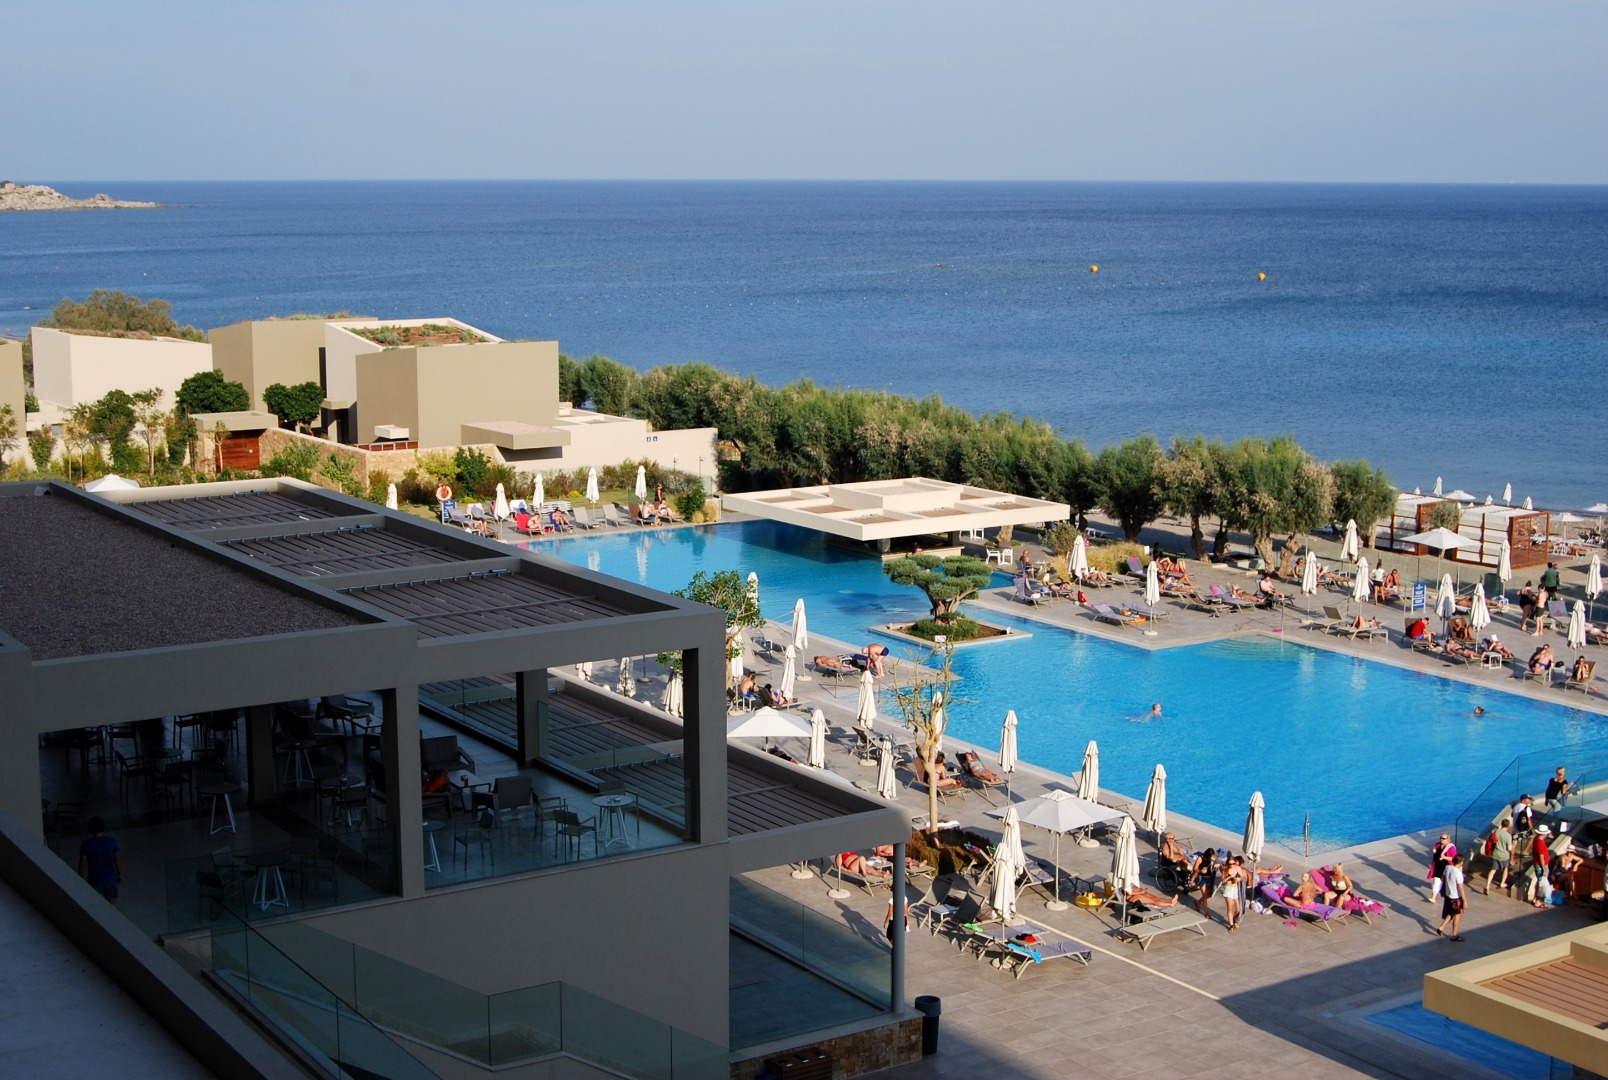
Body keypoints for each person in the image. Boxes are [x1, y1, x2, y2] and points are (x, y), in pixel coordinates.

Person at [77, 816, 122, 906]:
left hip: (95, 879)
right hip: (110, 877)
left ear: (90, 829)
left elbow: (82, 863)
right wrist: (119, 874)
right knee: (112, 899)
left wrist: (80, 875)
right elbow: (117, 860)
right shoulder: (112, 841)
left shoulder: (87, 845)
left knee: (97, 902)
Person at [1436, 854, 1467, 940]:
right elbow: (1461, 888)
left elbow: (1443, 878)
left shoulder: (1448, 867)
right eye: (1463, 861)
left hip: (1448, 895)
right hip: (1456, 897)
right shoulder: (1458, 873)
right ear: (1460, 862)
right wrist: (1464, 900)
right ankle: (1454, 935)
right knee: (1457, 915)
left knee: (1451, 912)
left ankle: (1441, 927)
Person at [1524, 825, 1554, 907]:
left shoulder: (1536, 839)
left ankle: (1535, 898)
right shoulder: (1541, 843)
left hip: (1537, 864)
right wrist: (1544, 869)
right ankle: (1538, 901)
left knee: (1540, 882)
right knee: (1542, 884)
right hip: (1541, 866)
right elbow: (1541, 857)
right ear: (1544, 834)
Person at [1486, 818, 1515, 894]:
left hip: (1495, 853)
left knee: (1492, 870)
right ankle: (1502, 883)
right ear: (1508, 826)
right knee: (1505, 869)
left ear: (1501, 824)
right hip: (1504, 856)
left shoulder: (1496, 831)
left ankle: (1487, 886)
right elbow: (1509, 848)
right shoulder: (1508, 836)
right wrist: (1512, 845)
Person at [1221, 856, 1248, 932]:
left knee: (1238, 910)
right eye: (1230, 864)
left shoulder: (1237, 868)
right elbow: (1223, 881)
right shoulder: (1225, 869)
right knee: (1230, 909)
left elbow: (1242, 877)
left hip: (1235, 889)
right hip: (1229, 889)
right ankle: (1231, 925)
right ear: (1227, 863)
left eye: (1233, 863)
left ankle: (1233, 920)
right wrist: (1229, 877)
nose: (1232, 865)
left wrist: (1238, 879)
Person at [1191, 848, 1219, 919]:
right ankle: (1206, 912)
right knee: (1205, 894)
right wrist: (1201, 871)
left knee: (1209, 894)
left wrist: (1217, 864)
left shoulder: (1211, 858)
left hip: (1209, 878)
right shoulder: (1200, 858)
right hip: (1202, 878)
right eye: (1211, 855)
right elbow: (1195, 868)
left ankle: (1198, 902)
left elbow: (1217, 860)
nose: (1211, 857)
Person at [1428, 833, 1455, 902]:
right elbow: (1435, 853)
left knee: (1446, 883)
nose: (1441, 839)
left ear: (1448, 839)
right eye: (1441, 838)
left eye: (1443, 838)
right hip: (1437, 867)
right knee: (1436, 882)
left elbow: (1454, 858)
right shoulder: (1438, 845)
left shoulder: (1451, 848)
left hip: (1446, 868)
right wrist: (1433, 850)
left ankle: (1451, 895)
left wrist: (1445, 857)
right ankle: (1433, 897)